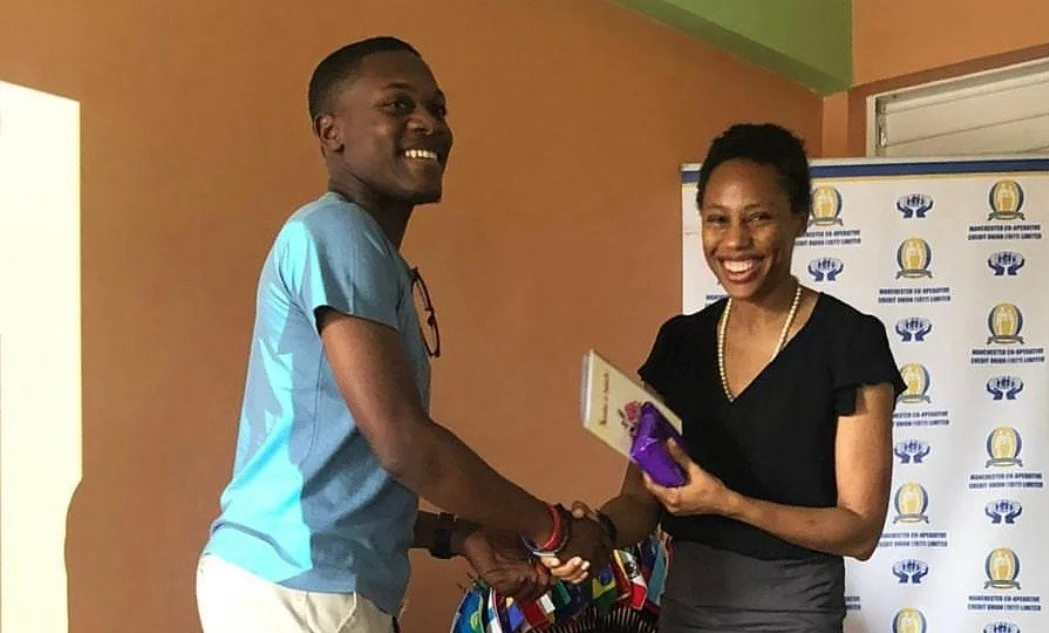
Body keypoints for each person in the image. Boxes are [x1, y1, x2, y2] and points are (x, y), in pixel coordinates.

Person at [195, 36, 609, 633]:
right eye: (396, 105)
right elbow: (404, 445)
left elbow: (344, 480)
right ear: (331, 132)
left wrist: (457, 533)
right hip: (302, 588)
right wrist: (554, 529)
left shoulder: (365, 250)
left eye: (437, 108)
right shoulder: (335, 232)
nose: (428, 123)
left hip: (308, 584)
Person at [547, 123, 905, 633]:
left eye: (758, 218)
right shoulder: (681, 343)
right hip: (686, 609)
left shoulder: (849, 342)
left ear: (800, 217)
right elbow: (638, 499)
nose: (735, 241)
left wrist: (728, 504)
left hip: (795, 614)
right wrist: (597, 530)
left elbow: (859, 529)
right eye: (717, 220)